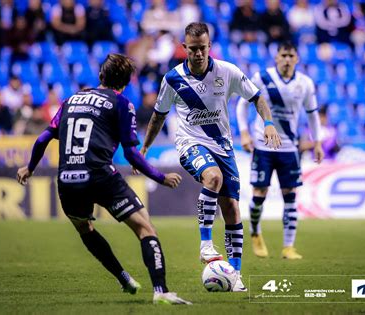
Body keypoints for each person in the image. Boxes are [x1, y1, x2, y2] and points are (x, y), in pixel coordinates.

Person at [16, 53, 191, 305]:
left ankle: (123, 278)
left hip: (68, 179)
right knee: (144, 228)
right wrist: (160, 177)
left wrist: (30, 167)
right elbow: (131, 152)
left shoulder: (70, 100)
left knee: (85, 228)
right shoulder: (121, 103)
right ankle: (160, 291)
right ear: (126, 82)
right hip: (100, 176)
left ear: (101, 75)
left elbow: (43, 138)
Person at [138, 22, 281, 292]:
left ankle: (235, 275)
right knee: (212, 177)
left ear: (209, 46)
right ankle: (205, 244)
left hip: (223, 147)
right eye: (193, 49)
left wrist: (269, 123)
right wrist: (145, 148)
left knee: (232, 209)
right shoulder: (172, 79)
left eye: (203, 48)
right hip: (190, 144)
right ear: (184, 49)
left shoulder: (228, 72)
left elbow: (257, 98)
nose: (199, 54)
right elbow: (159, 115)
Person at [236, 41, 324, 260]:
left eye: (290, 56)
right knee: (260, 193)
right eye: (283, 55)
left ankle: (288, 247)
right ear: (276, 58)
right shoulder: (262, 78)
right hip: (263, 145)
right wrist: (244, 133)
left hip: (289, 148)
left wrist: (318, 142)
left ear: (297, 59)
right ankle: (256, 233)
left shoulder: (305, 83)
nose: (286, 59)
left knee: (290, 196)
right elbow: (241, 104)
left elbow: (313, 114)